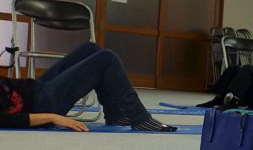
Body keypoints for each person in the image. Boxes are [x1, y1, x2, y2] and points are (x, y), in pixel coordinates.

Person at [0, 42, 176, 132]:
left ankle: (116, 115)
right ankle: (140, 118)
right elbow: (9, 120)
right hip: (42, 104)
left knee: (91, 49)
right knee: (107, 58)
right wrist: (52, 117)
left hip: (35, 88)